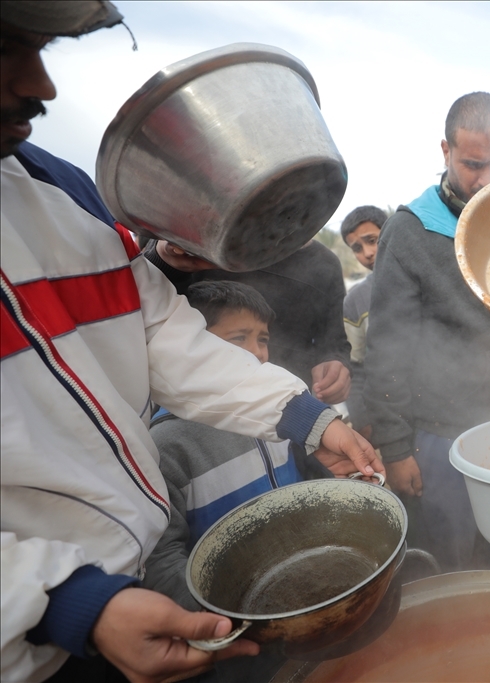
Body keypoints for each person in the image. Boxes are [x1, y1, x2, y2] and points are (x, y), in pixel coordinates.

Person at [0, 6, 381, 683]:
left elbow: (163, 335)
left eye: (40, 47)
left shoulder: (63, 193)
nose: (42, 85)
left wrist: (308, 418)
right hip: (32, 638)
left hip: (122, 595)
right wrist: (63, 602)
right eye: (6, 47)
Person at [363, 92, 490, 572]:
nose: (487, 180)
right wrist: (396, 450)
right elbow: (387, 349)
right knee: (451, 566)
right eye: (473, 164)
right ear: (446, 150)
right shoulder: (410, 231)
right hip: (439, 440)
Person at [143, 281, 311, 683]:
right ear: (192, 348)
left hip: (296, 597)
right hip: (230, 633)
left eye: (262, 339)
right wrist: (227, 621)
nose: (257, 352)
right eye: (239, 338)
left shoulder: (276, 420)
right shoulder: (166, 444)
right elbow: (159, 558)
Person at [146, 237, 353, 406]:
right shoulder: (190, 243)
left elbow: (334, 341)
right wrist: (163, 259)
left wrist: (335, 363)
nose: (255, 353)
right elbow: (149, 311)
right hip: (202, 405)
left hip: (290, 409)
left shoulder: (324, 263)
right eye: (239, 338)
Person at [341, 205, 387, 437]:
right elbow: (355, 367)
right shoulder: (355, 301)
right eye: (357, 248)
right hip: (387, 416)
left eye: (372, 240)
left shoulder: (422, 278)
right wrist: (361, 420)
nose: (367, 253)